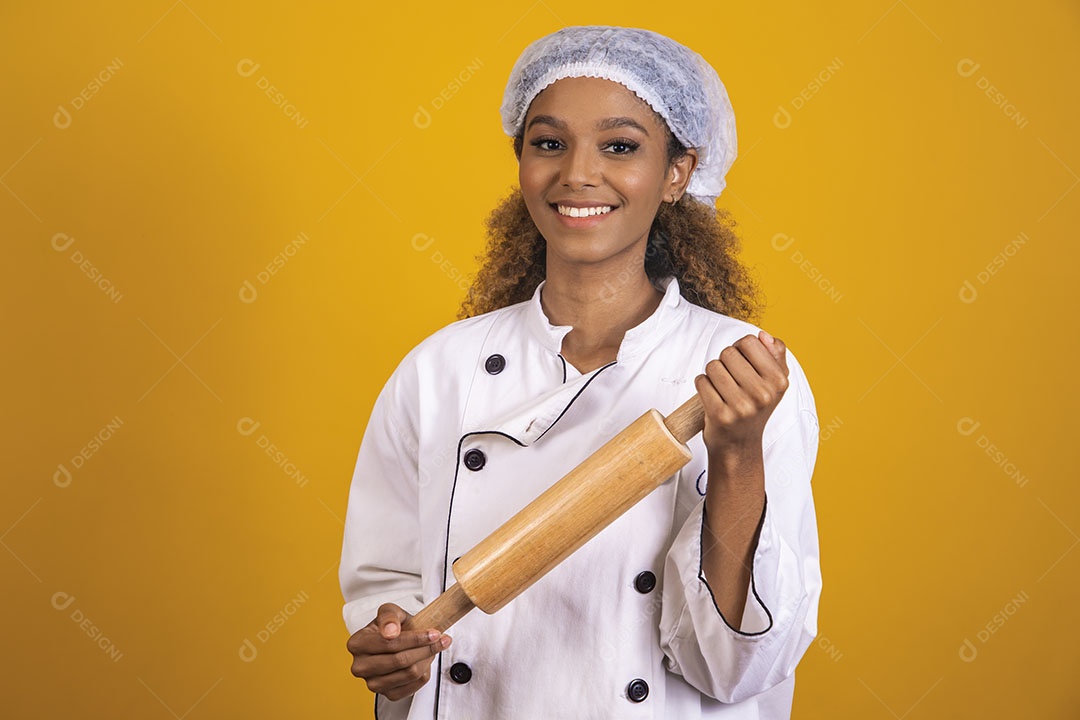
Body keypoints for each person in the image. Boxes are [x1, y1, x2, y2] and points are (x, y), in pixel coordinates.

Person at [340, 25, 821, 719]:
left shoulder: (735, 374)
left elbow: (736, 665)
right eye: (549, 142)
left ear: (679, 172)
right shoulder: (439, 370)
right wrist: (392, 641)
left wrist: (738, 452)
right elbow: (387, 584)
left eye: (620, 146)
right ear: (521, 160)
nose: (577, 175)